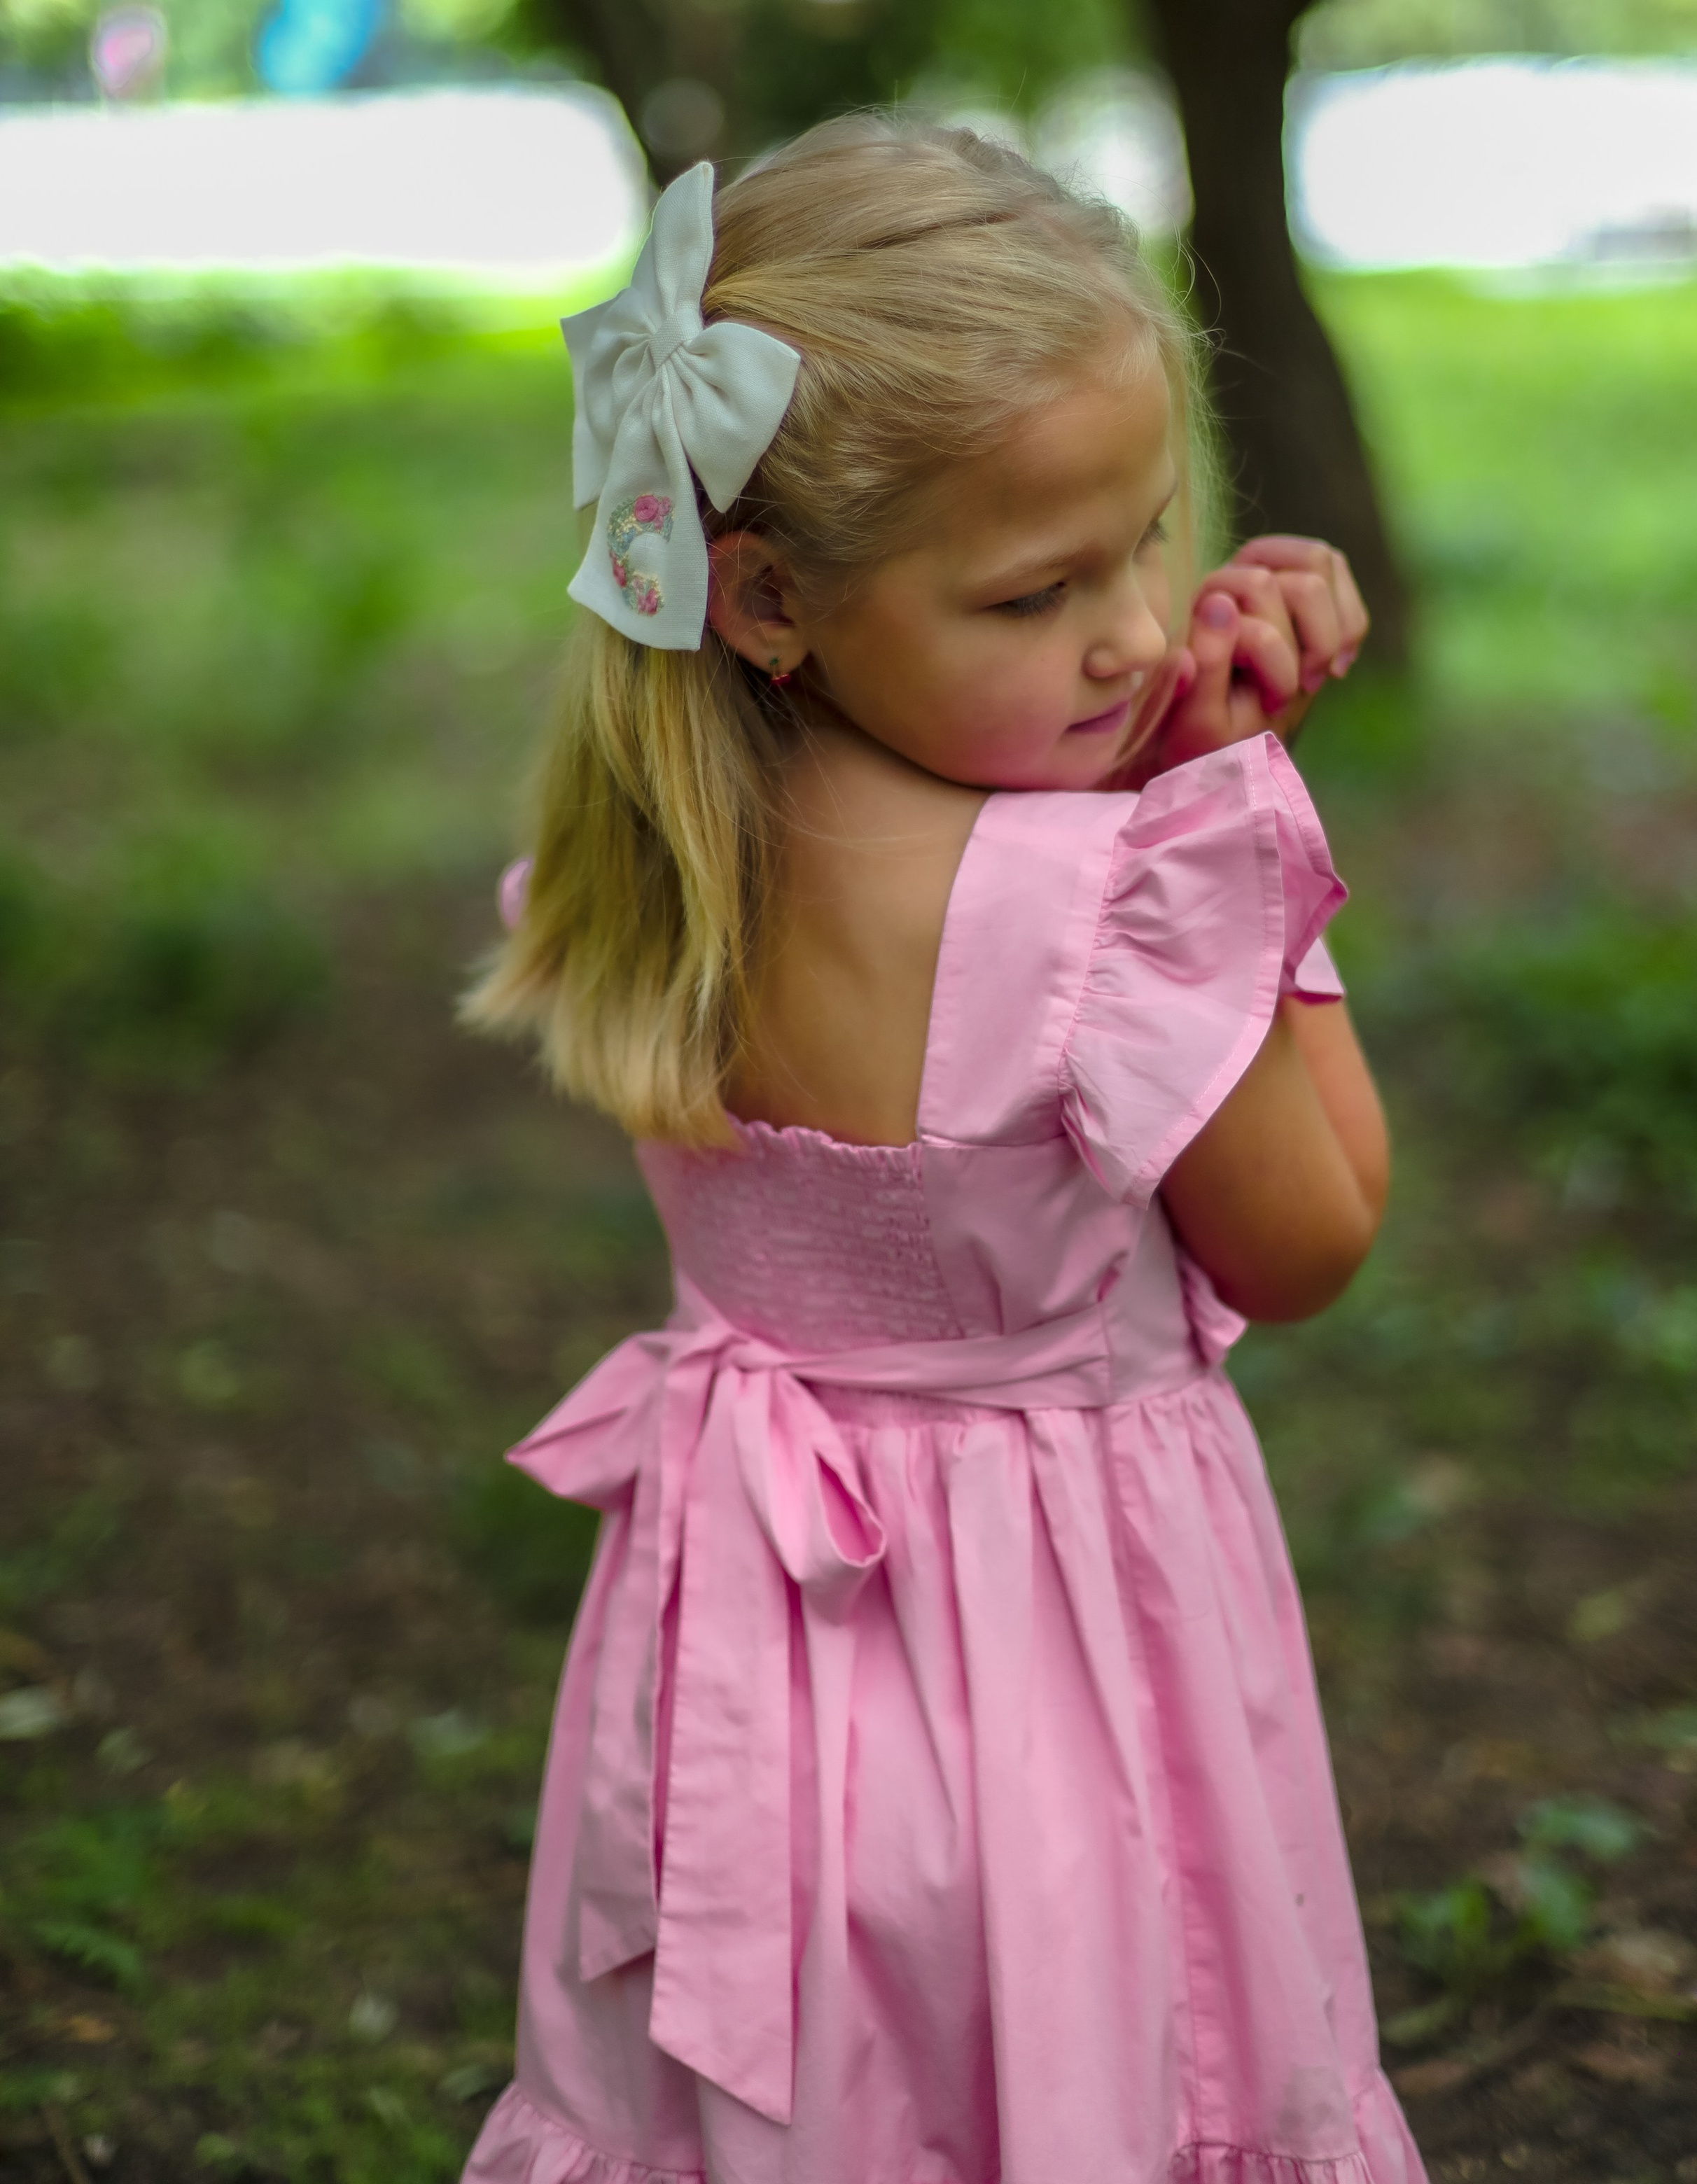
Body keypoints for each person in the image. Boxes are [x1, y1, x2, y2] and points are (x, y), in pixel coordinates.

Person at [460, 121, 1420, 2184]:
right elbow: (1316, 1236)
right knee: (1094, 2086)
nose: (1135, 635)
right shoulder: (1114, 904)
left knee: (799, 2111)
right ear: (769, 597)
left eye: (1147, 539)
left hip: (746, 1673)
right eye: (1036, 591)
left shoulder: (653, 872)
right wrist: (1231, 828)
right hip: (1073, 1668)